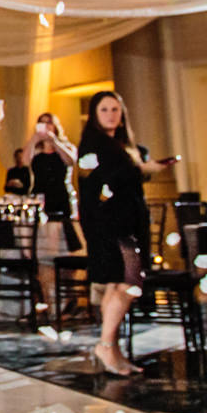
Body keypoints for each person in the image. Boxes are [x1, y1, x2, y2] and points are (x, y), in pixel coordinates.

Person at [78, 90, 175, 375]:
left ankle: (112, 346)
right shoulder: (94, 145)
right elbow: (101, 182)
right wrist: (141, 168)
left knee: (116, 284)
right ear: (95, 114)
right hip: (111, 223)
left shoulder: (119, 143)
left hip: (126, 219)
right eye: (105, 109)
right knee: (127, 282)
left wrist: (142, 167)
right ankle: (106, 345)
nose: (111, 114)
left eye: (115, 109)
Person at [28, 112, 80, 249]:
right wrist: (34, 139)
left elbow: (71, 161)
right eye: (42, 123)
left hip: (60, 195)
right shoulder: (37, 150)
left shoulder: (66, 146)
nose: (46, 126)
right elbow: (25, 161)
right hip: (40, 195)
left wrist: (54, 142)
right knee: (42, 235)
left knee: (63, 234)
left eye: (49, 122)